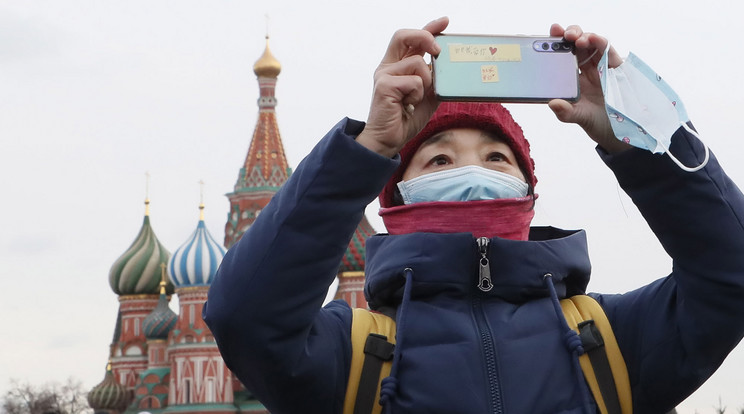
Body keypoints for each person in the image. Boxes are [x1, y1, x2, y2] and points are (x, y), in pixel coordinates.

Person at [203, 17, 744, 414]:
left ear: (527, 191)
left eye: (496, 157)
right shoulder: (352, 358)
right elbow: (246, 320)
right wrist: (365, 148)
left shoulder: (611, 342)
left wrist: (641, 133)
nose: (471, 170)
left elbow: (732, 277)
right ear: (394, 197)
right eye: (438, 158)